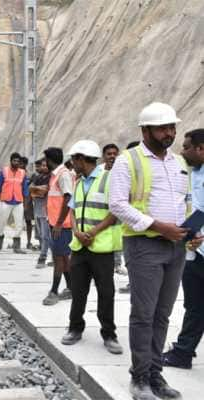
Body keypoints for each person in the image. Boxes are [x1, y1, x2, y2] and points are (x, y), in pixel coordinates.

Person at [109, 102, 199, 400]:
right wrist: (160, 227)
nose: (169, 133)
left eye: (172, 128)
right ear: (145, 130)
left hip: (176, 247)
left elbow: (184, 202)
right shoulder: (128, 160)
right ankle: (139, 378)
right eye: (163, 128)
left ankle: (155, 375)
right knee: (144, 314)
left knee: (162, 314)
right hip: (144, 245)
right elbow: (118, 205)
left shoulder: (178, 163)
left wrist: (192, 231)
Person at [60, 140, 123, 354]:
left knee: (106, 292)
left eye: (73, 159)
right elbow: (74, 210)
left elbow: (115, 212)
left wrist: (93, 233)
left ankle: (109, 334)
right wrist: (77, 231)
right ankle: (74, 328)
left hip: (101, 247)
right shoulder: (78, 181)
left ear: (81, 159)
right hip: (80, 246)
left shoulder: (109, 179)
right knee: (78, 291)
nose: (72, 163)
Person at [163, 129, 204, 370]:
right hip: (193, 252)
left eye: (187, 147)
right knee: (195, 305)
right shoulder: (189, 172)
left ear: (201, 148)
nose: (182, 151)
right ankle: (183, 352)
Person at [43, 147, 74, 306]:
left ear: (49, 160)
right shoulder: (56, 175)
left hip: (61, 225)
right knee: (62, 256)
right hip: (56, 223)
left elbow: (69, 198)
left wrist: (60, 223)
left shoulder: (63, 175)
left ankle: (54, 291)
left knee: (58, 257)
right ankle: (70, 288)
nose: (44, 163)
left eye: (45, 160)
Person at [0, 152, 30, 253]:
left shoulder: (23, 173)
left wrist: (25, 204)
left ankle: (17, 247)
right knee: (2, 223)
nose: (16, 162)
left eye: (18, 161)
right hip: (6, 202)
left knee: (19, 224)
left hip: (18, 202)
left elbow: (25, 190)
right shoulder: (4, 171)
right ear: (11, 161)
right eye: (14, 160)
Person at [118, 140, 143, 295]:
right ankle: (132, 283)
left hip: (147, 228)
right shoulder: (125, 172)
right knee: (131, 261)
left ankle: (135, 285)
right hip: (130, 228)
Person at [101, 143, 128, 276]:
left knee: (117, 237)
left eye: (114, 154)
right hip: (102, 212)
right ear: (103, 156)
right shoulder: (99, 171)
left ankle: (117, 264)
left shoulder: (122, 170)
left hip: (118, 211)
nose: (112, 156)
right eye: (109, 154)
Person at [30, 158, 51, 267]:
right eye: (42, 165)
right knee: (41, 236)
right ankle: (50, 256)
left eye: (45, 165)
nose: (43, 167)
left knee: (45, 235)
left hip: (45, 210)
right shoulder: (37, 177)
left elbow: (44, 191)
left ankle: (43, 257)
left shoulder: (50, 177)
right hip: (37, 210)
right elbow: (30, 190)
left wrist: (36, 190)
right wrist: (37, 190)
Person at [20, 156, 36, 250]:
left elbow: (32, 187)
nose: (20, 165)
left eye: (22, 164)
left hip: (28, 201)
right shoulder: (15, 174)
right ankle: (16, 242)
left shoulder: (30, 175)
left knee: (28, 221)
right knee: (17, 222)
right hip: (17, 200)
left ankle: (29, 241)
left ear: (25, 164)